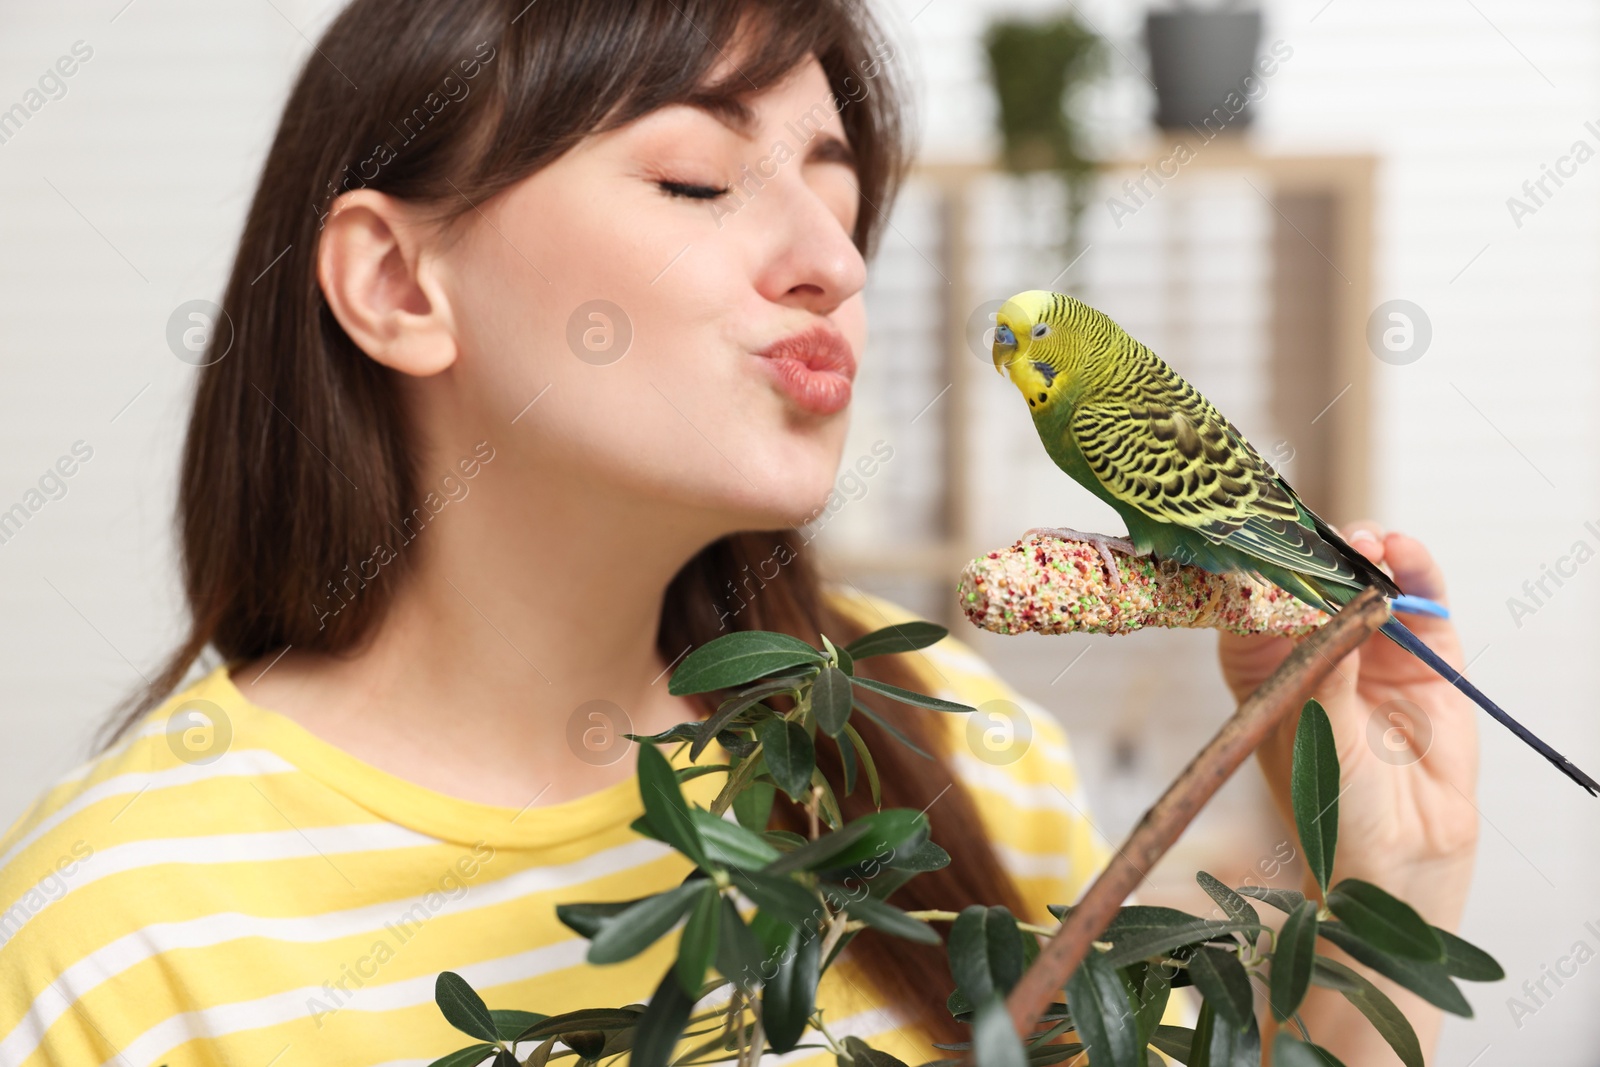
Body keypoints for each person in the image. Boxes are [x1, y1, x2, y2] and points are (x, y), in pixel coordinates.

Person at [0, 1, 1478, 1064]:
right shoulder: (119, 939)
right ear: (396, 285)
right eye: (698, 181)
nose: (834, 262)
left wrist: (1380, 888)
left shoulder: (955, 745)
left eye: (845, 205)